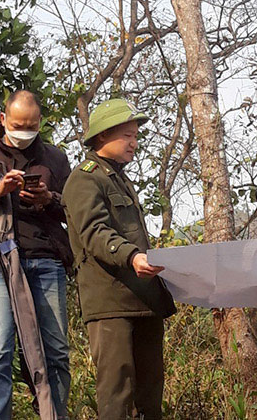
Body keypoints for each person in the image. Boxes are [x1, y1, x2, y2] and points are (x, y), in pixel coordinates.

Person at [0, 90, 72, 419]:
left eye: (31, 126)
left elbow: (75, 209)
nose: (24, 132)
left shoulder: (55, 158)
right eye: (18, 125)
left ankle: (53, 414)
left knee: (56, 352)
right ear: (3, 120)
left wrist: (48, 198)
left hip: (48, 261)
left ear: (40, 123)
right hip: (0, 264)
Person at [62, 98, 176, 419]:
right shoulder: (84, 179)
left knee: (150, 395)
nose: (134, 143)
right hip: (111, 303)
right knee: (117, 394)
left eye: (136, 136)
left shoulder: (120, 178)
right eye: (127, 136)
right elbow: (95, 233)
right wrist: (133, 257)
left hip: (143, 300)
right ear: (102, 136)